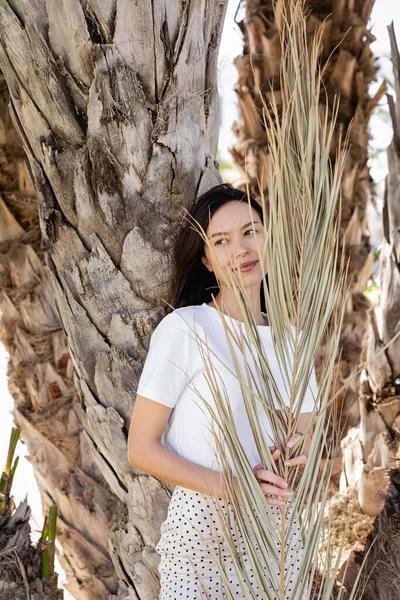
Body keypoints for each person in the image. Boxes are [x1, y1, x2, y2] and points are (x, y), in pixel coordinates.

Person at [127, 183, 317, 599]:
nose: (242, 249)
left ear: (271, 239)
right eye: (222, 241)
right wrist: (236, 486)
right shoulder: (187, 328)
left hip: (279, 532)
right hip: (203, 532)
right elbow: (141, 448)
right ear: (207, 261)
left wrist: (298, 460)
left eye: (251, 232)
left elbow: (303, 444)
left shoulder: (296, 342)